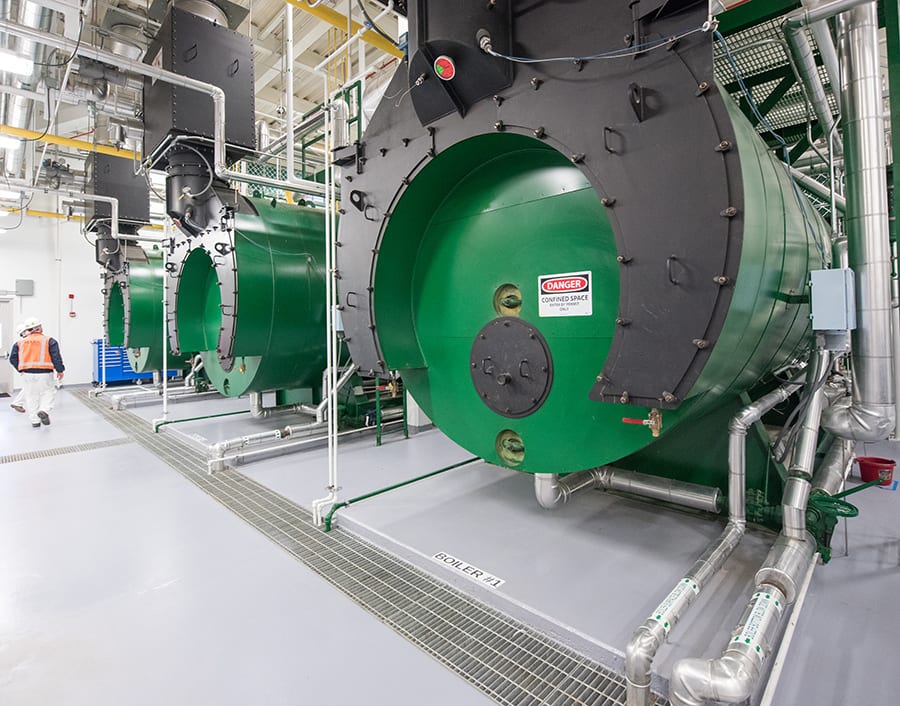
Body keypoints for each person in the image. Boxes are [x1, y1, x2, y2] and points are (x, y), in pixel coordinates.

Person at [8, 317, 65, 428]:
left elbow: (12, 359)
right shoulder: (49, 340)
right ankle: (44, 410)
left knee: (31, 396)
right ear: (39, 327)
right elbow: (56, 357)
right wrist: (60, 370)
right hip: (44, 372)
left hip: (27, 373)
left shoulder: (19, 343)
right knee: (48, 393)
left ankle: (35, 421)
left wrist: (20, 368)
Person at [8, 322, 27, 413]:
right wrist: (20, 369)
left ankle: (18, 402)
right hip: (28, 370)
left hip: (28, 369)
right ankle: (17, 402)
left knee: (31, 388)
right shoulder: (20, 344)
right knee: (30, 388)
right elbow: (13, 359)